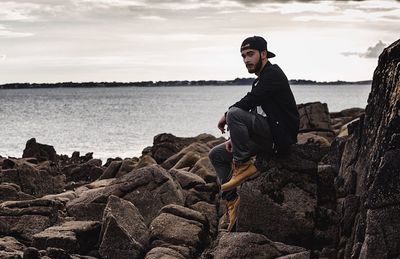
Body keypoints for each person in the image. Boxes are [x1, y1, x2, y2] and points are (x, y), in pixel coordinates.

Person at [208, 36, 299, 232]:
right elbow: (255, 112)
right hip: (264, 136)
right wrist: (235, 138)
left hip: (279, 138)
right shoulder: (258, 81)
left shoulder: (273, 74)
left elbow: (250, 101)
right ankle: (232, 202)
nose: (246, 59)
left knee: (234, 113)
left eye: (250, 54)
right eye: (243, 56)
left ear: (263, 54)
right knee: (216, 154)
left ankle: (242, 165)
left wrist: (226, 115)